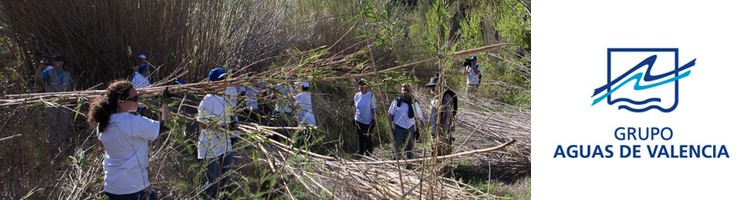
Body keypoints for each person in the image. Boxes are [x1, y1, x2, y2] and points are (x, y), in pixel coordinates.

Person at [87, 80, 171, 200]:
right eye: (135, 98)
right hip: (134, 187)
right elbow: (165, 127)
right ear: (121, 101)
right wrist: (165, 103)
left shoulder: (102, 124)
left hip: (112, 186)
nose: (138, 101)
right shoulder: (132, 122)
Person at [197, 67, 237, 199]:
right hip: (210, 146)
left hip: (225, 144)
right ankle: (199, 196)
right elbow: (202, 123)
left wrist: (232, 125)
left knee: (226, 180)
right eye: (221, 80)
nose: (224, 82)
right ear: (212, 83)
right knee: (214, 183)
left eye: (225, 79)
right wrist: (219, 126)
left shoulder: (226, 98)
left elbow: (229, 118)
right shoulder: (208, 100)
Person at [37, 54, 75, 151]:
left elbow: (70, 87)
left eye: (58, 61)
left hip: (64, 101)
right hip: (51, 101)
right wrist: (40, 67)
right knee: (51, 122)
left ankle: (63, 144)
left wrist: (70, 99)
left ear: (62, 62)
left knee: (64, 123)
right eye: (54, 61)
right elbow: (36, 78)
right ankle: (51, 145)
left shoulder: (67, 73)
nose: (56, 63)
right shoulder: (48, 72)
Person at [387, 83, 425, 168]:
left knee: (409, 151)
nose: (406, 91)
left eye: (408, 89)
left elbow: (419, 118)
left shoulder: (415, 104)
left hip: (410, 129)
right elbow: (389, 115)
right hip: (398, 129)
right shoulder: (396, 102)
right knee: (396, 150)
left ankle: (408, 168)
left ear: (411, 91)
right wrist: (390, 129)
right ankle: (395, 168)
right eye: (404, 89)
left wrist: (419, 129)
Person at [425, 75, 458, 157]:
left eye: (434, 87)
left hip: (443, 132)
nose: (432, 90)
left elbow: (448, 116)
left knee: (444, 152)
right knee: (435, 152)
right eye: (431, 88)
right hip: (434, 131)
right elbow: (431, 114)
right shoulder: (434, 99)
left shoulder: (446, 98)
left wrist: (442, 132)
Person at [353, 79, 376, 156]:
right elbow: (355, 107)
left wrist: (373, 119)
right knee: (360, 137)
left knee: (367, 136)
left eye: (363, 85)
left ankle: (369, 153)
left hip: (367, 120)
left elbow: (373, 108)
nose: (361, 86)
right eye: (360, 85)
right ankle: (360, 152)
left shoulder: (371, 96)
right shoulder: (357, 95)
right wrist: (354, 117)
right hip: (358, 119)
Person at [294, 81, 316, 146]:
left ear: (301, 87)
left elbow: (294, 105)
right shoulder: (309, 95)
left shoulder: (299, 96)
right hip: (310, 119)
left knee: (302, 138)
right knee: (308, 139)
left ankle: (303, 152)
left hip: (305, 120)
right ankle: (306, 153)